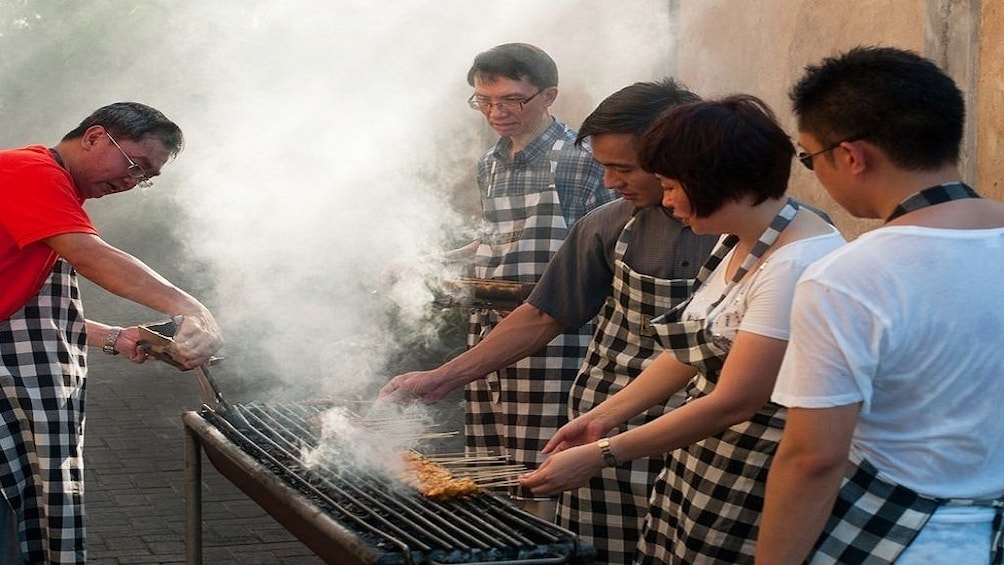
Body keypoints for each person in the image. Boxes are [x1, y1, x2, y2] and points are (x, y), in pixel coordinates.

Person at [382, 79, 718, 561]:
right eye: (604, 168)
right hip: (601, 426)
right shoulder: (606, 225)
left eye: (622, 168)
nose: (608, 183)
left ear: (678, 156)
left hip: (703, 426)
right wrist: (442, 377)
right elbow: (543, 313)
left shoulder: (748, 235)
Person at [520, 94, 845, 564]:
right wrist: (601, 419)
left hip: (751, 474)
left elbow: (736, 399)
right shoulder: (739, 240)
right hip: (704, 466)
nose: (667, 201)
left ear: (715, 180)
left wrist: (603, 454)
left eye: (672, 186)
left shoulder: (795, 263)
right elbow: (686, 352)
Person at [756, 46, 1004, 565]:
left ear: (852, 156)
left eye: (809, 157)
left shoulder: (847, 277)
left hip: (907, 539)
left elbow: (812, 459)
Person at [388, 43, 612, 519]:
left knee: (541, 461)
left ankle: (546, 541)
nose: (496, 112)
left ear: (548, 95)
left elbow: (599, 251)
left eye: (511, 100)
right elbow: (491, 239)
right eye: (484, 101)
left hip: (555, 336)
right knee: (491, 455)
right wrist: (432, 260)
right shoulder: (490, 163)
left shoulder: (578, 160)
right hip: (488, 326)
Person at [0, 102, 224, 563]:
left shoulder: (54, 195)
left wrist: (113, 337)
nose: (131, 181)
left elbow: (31, 315)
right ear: (95, 136)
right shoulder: (28, 172)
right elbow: (92, 257)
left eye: (144, 177)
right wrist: (191, 306)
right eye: (134, 164)